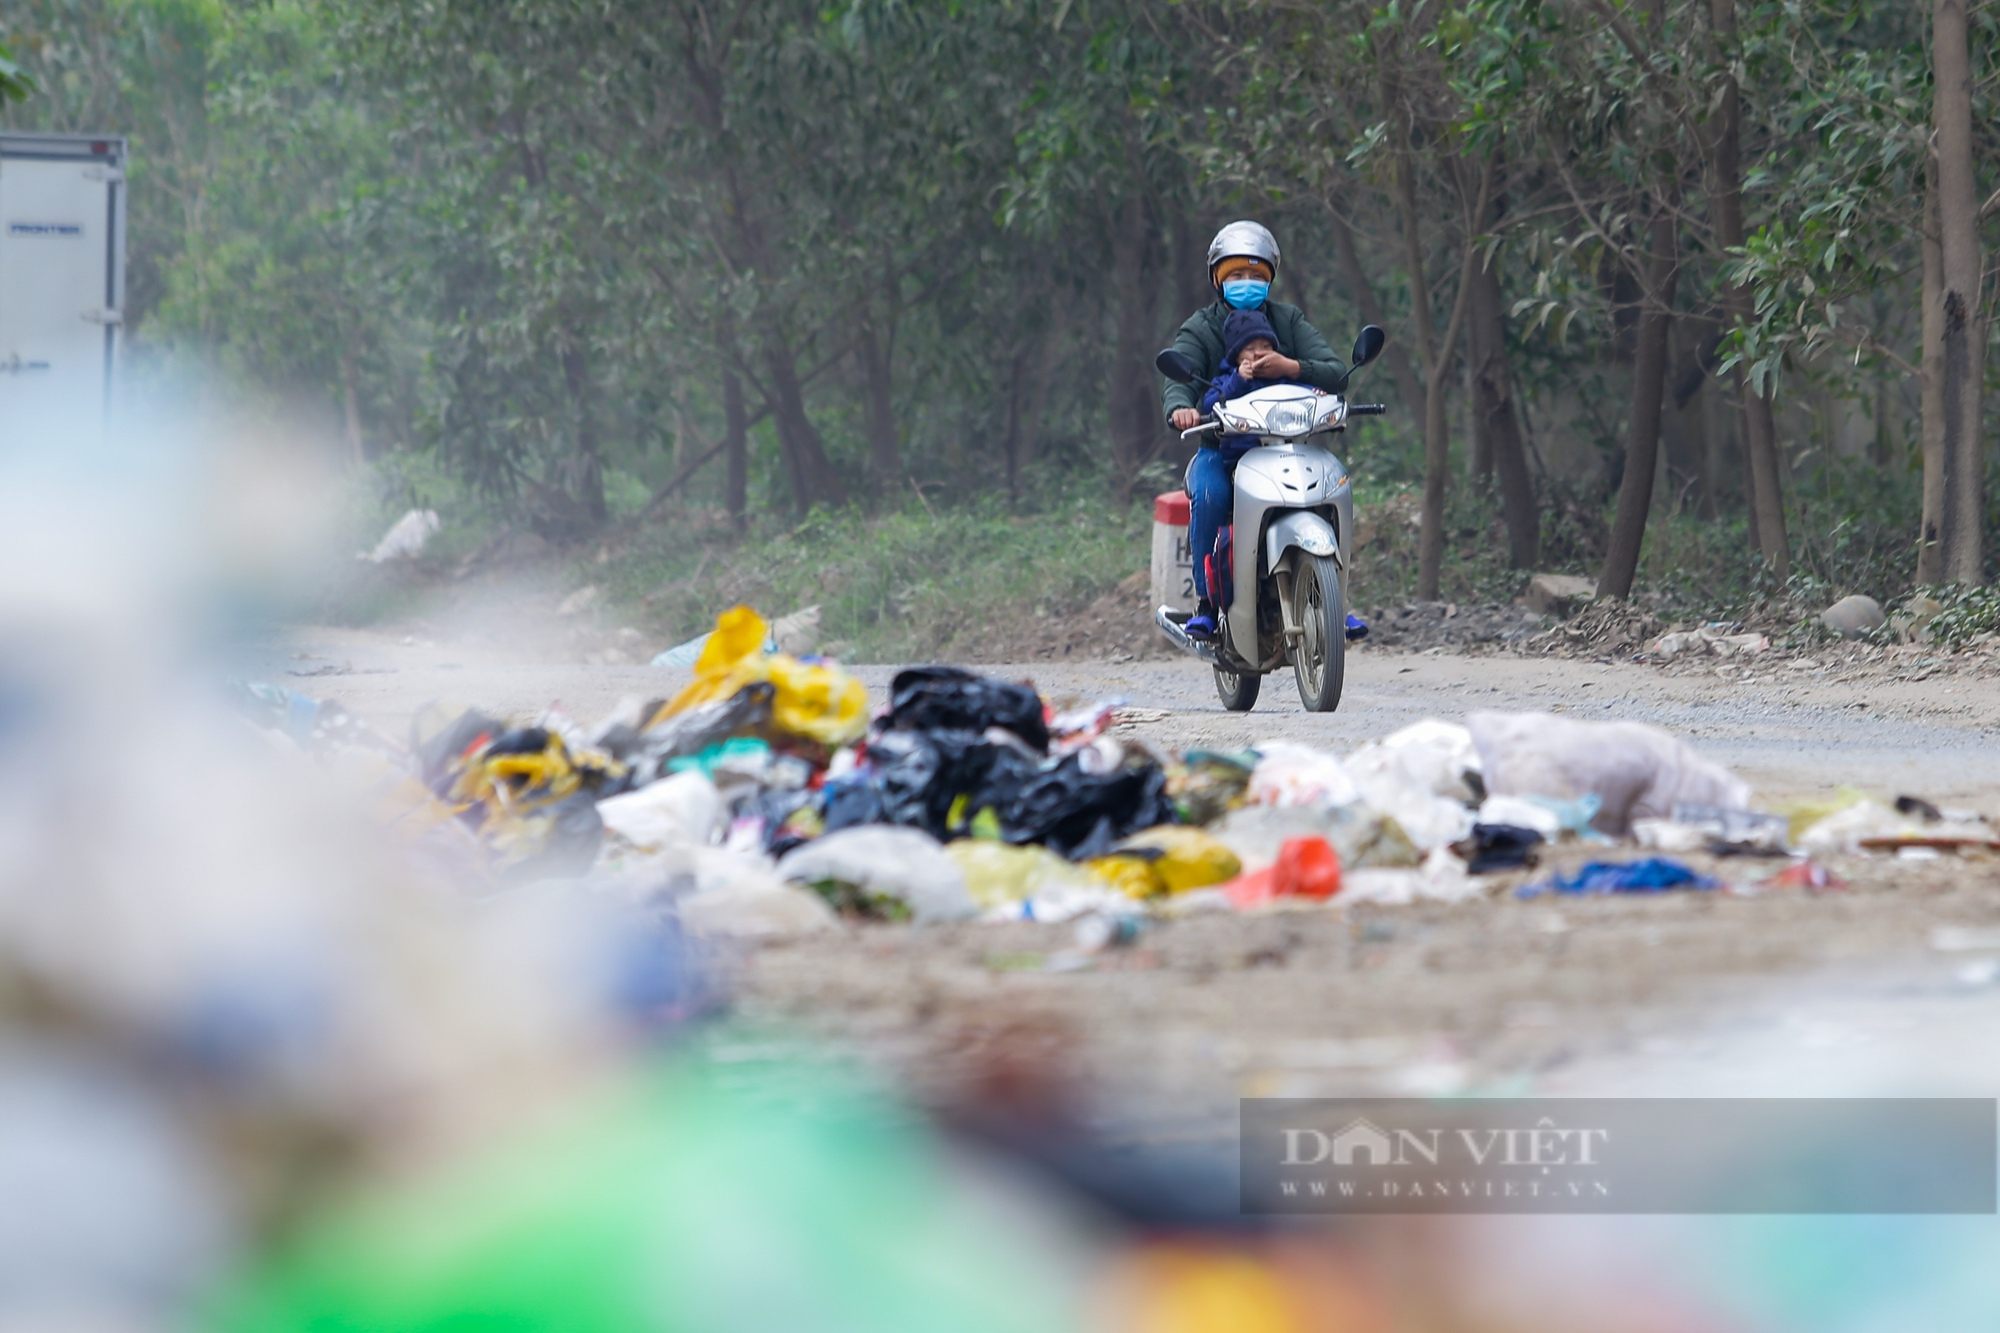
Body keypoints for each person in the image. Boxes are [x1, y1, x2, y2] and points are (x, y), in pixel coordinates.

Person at [1163, 221, 1348, 640]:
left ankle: (1339, 601)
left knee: (1332, 484)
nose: (1246, 283)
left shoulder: (1288, 321)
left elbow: (1336, 372)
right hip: (1223, 448)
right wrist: (1180, 409)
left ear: (1271, 279)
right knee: (1210, 495)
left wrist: (1293, 368)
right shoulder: (1201, 327)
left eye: (1256, 275)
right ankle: (1208, 605)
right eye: (1235, 275)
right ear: (1217, 279)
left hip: (1285, 447)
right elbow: (1181, 379)